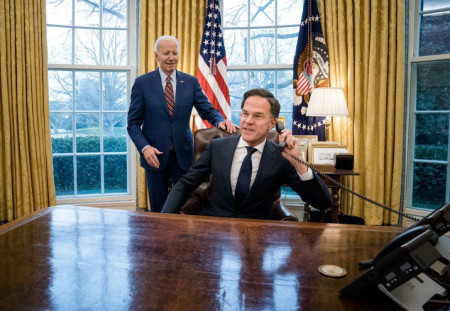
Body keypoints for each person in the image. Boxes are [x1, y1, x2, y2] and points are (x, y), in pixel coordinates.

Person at [161, 88, 332, 219]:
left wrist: (299, 162)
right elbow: (185, 184)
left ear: (272, 124)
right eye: (245, 114)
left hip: (257, 233)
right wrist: (164, 219)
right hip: (215, 228)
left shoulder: (281, 157)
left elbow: (322, 203)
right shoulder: (216, 148)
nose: (248, 121)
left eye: (257, 116)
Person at [127, 35, 236, 212]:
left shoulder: (191, 82)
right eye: (166, 53)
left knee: (184, 206)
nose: (171, 57)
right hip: (154, 156)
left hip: (183, 156)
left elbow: (207, 109)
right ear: (156, 56)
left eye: (175, 53)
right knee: (158, 209)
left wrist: (220, 120)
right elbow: (132, 124)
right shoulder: (142, 83)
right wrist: (145, 148)